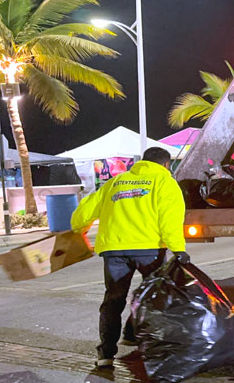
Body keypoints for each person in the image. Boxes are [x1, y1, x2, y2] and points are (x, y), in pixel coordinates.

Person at [71, 147, 188, 368]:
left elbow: (82, 214)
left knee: (113, 300)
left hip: (114, 250)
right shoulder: (164, 182)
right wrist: (178, 249)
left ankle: (106, 354)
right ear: (165, 164)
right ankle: (151, 350)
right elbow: (169, 218)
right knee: (152, 298)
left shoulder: (115, 182)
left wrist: (79, 228)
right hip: (149, 250)